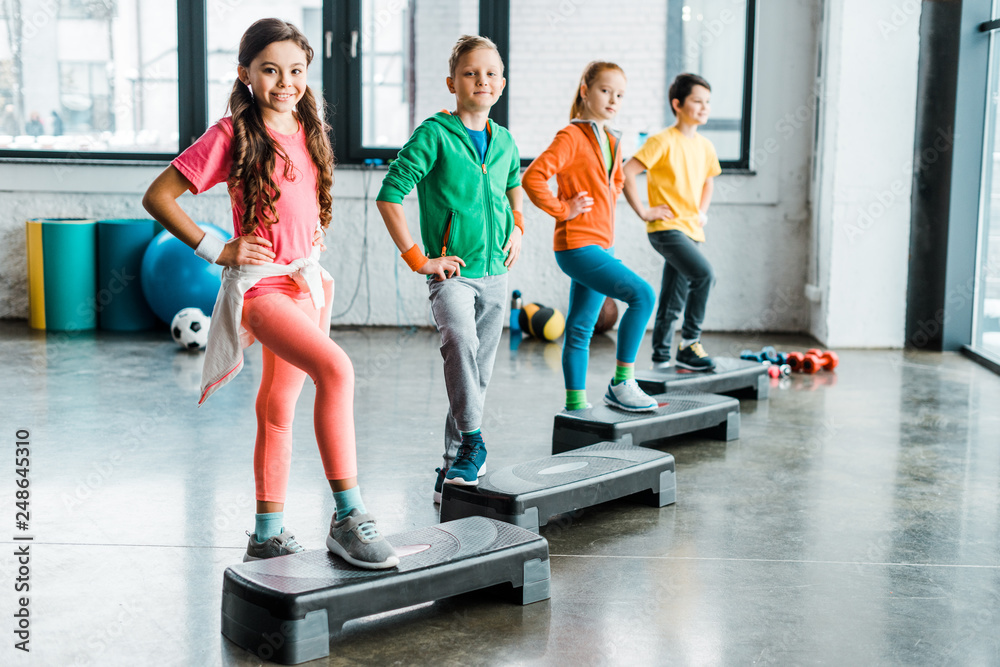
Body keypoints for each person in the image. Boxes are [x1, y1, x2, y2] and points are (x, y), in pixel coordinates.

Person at [142, 18, 398, 569]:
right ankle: (348, 515)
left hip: (305, 282)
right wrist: (218, 248)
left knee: (279, 407)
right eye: (270, 70)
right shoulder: (230, 134)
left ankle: (266, 534)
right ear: (245, 73)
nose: (285, 82)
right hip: (260, 288)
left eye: (296, 70)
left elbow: (297, 200)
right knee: (337, 370)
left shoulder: (309, 127)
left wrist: (310, 233)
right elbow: (158, 196)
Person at [375, 35, 524, 503]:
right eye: (470, 73)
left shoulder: (504, 140)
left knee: (476, 375)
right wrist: (419, 259)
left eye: (491, 73)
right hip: (452, 274)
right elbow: (390, 195)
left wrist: (519, 225)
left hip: (497, 272)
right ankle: (474, 444)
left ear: (502, 83)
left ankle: (452, 465)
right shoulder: (435, 134)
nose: (482, 80)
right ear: (451, 83)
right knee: (459, 341)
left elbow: (514, 182)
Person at [522, 61, 657, 413]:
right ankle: (622, 382)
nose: (613, 100)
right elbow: (533, 178)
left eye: (620, 95)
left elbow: (615, 182)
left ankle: (576, 406)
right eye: (605, 90)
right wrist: (562, 209)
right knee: (643, 295)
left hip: (601, 245)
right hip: (578, 246)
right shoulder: (571, 136)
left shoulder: (612, 139)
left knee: (581, 327)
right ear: (585, 91)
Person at [623, 73, 721, 371]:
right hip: (666, 230)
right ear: (678, 104)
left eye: (707, 102)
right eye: (697, 101)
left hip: (691, 229)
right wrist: (644, 212)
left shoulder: (705, 146)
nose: (704, 108)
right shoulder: (661, 141)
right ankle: (690, 342)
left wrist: (702, 211)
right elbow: (627, 172)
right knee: (704, 276)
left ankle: (661, 359)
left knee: (672, 296)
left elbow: (709, 181)